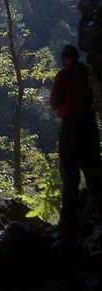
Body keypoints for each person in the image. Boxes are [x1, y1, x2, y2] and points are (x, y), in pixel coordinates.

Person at [50, 44, 102, 237]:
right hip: (90, 126)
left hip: (71, 128)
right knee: (94, 172)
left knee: (69, 176)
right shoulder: (89, 73)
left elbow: (53, 104)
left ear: (64, 58)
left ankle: (69, 223)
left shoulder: (63, 76)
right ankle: (98, 215)